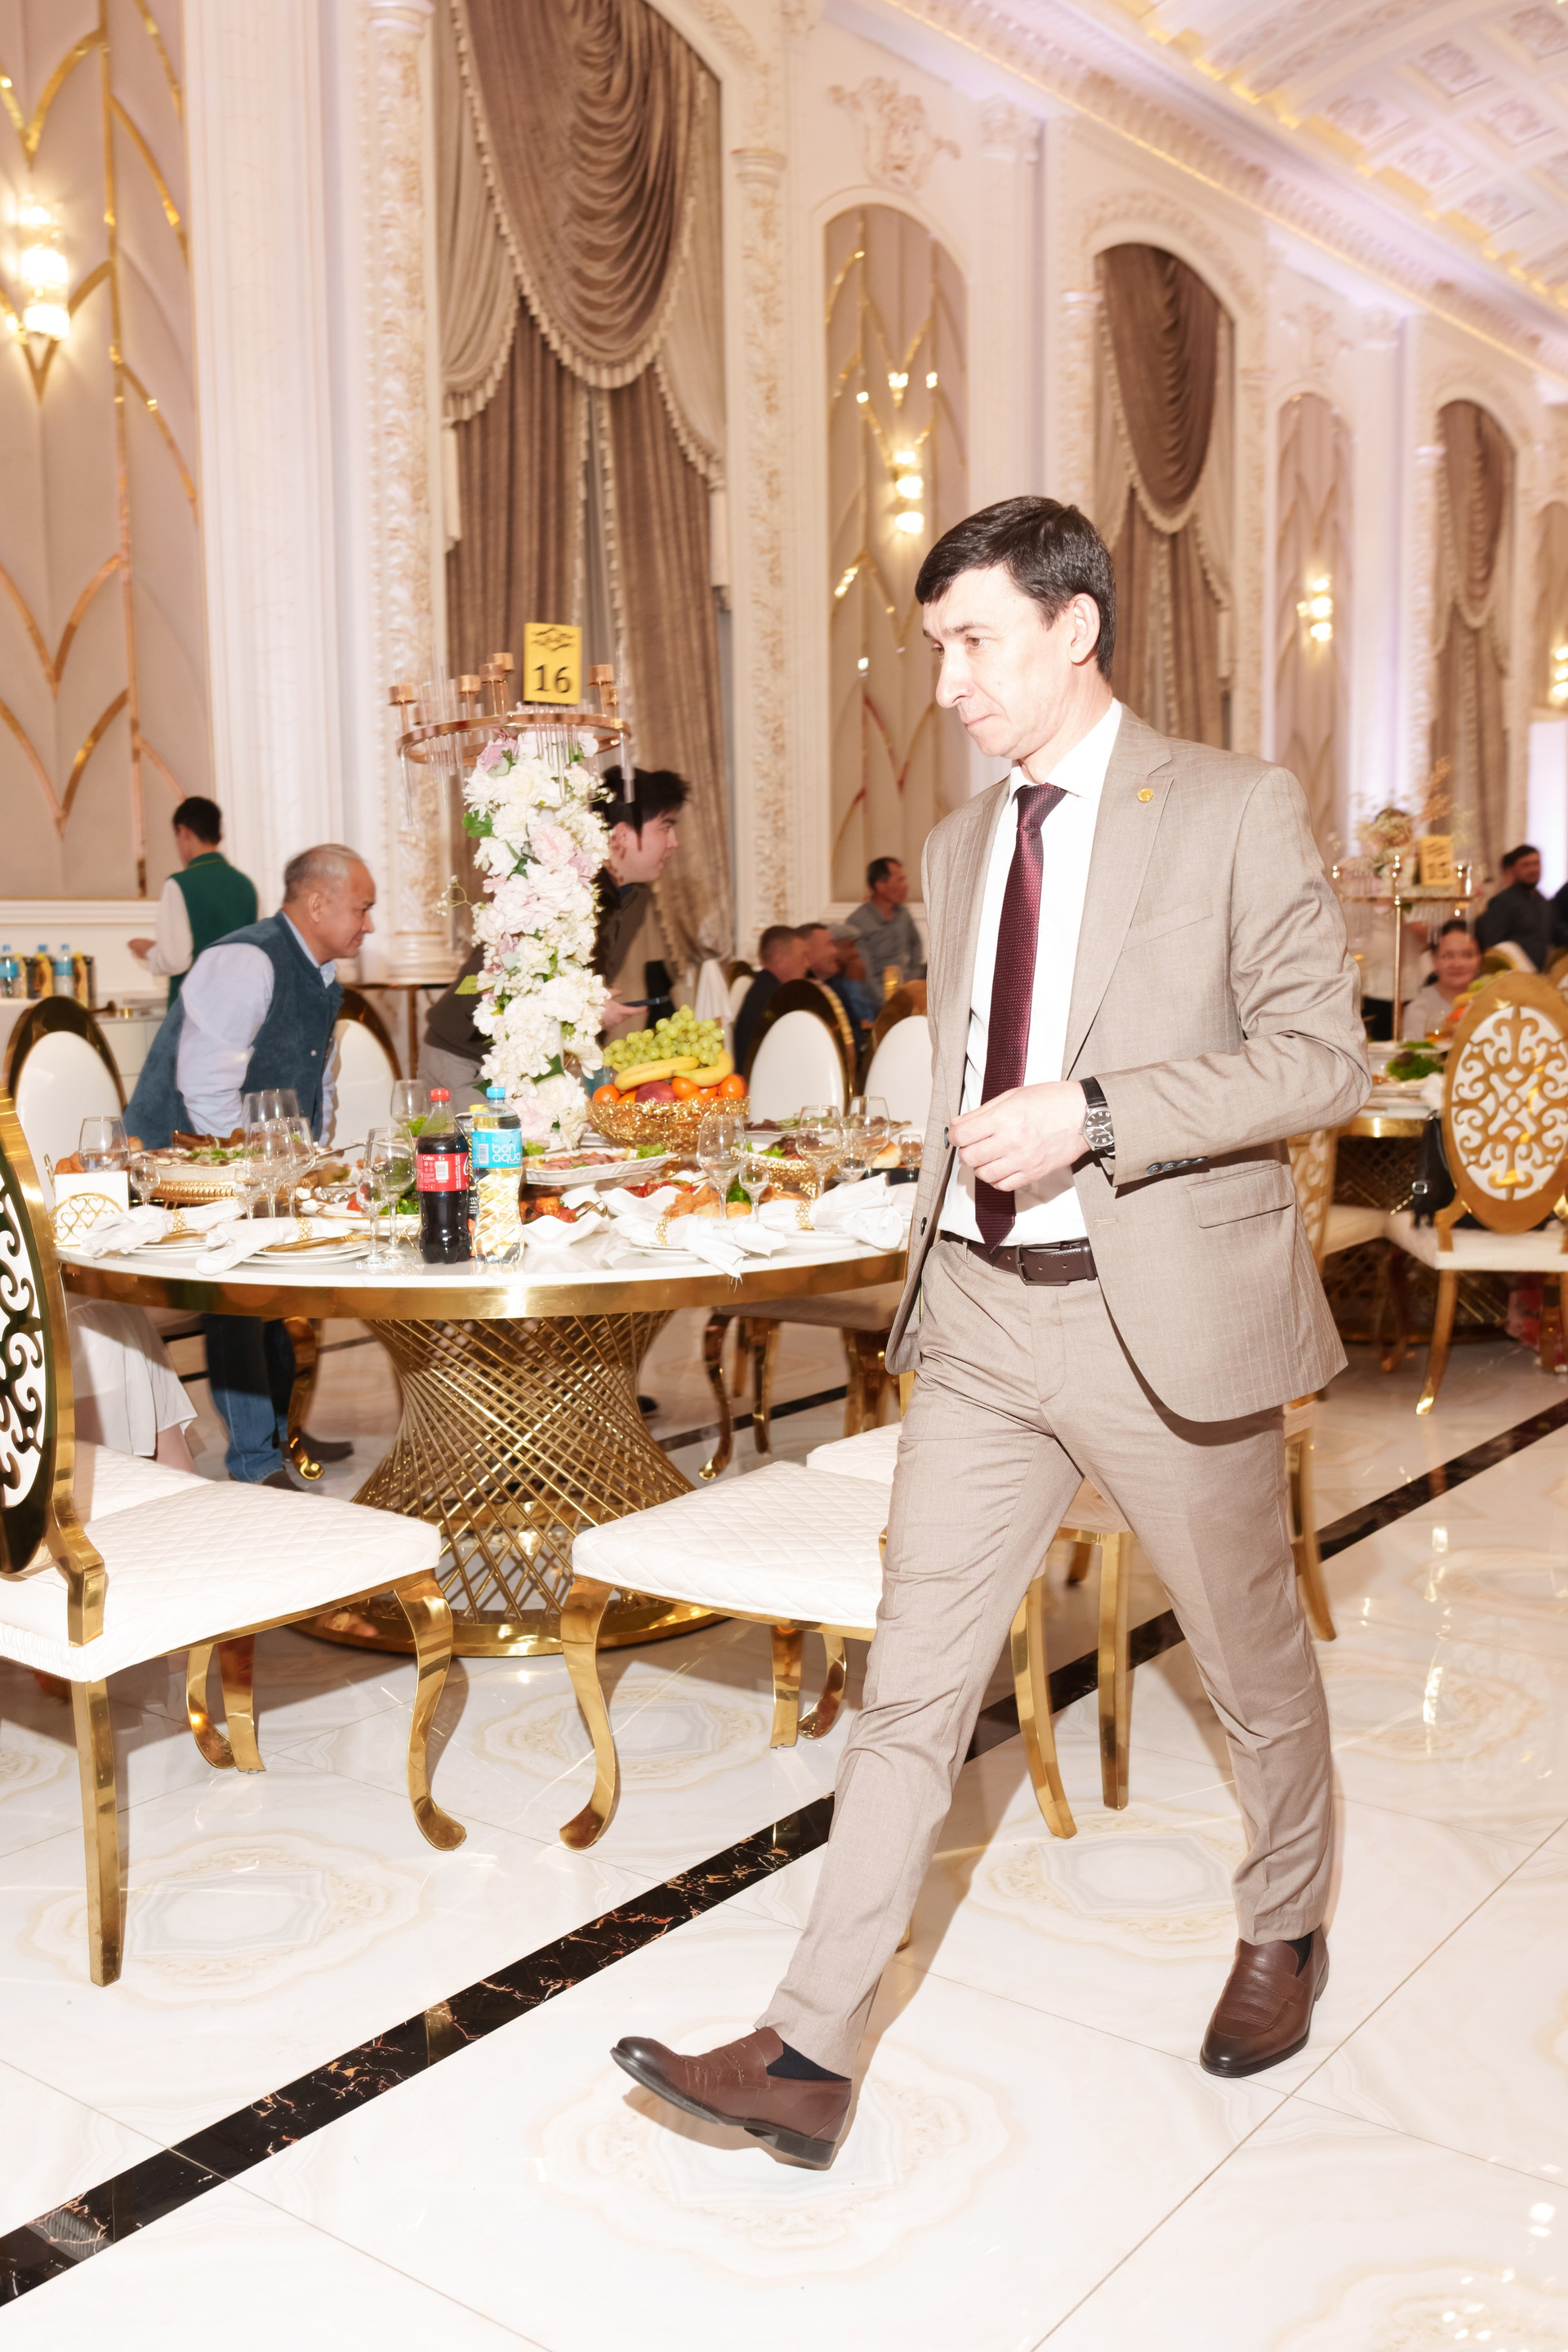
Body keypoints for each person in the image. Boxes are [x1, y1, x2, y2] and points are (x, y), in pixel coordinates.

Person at [611, 495, 1367, 2167]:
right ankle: (809, 2051)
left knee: (1248, 1667)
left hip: (1159, 1321)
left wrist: (1096, 1113)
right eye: (936, 644)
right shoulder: (960, 850)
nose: (945, 680)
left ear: (1073, 628)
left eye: (975, 641)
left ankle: (1289, 1920)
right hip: (977, 1317)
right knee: (911, 1689)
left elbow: (1325, 1059)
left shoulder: (1231, 807)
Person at [125, 844, 377, 1489]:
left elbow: (317, 1081)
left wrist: (310, 1165)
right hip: (184, 1166)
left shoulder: (321, 974)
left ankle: (282, 1430)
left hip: (262, 1165)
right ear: (316, 903)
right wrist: (248, 1181)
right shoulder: (246, 960)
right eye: (362, 908)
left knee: (292, 1280)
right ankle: (256, 1463)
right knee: (238, 1291)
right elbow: (204, 1087)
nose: (369, 924)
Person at [421, 768, 691, 1102]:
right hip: (467, 1055)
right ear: (622, 834)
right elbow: (520, 975)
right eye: (665, 827)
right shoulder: (564, 883)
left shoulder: (636, 898)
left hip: (530, 1061)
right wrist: (586, 1012)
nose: (674, 842)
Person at [127, 797, 259, 1006]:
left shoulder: (180, 884)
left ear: (183, 831)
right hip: (239, 1006)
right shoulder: (245, 884)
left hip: (195, 1008)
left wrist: (149, 951)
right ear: (219, 835)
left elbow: (175, 961)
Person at [732, 924, 810, 1075]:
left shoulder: (763, 987)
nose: (807, 964)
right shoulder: (775, 998)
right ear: (780, 960)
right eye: (802, 957)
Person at [845, 856, 925, 994]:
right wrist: (890, 1002)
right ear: (880, 886)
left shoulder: (903, 913)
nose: (906, 886)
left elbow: (916, 943)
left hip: (907, 985)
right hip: (878, 993)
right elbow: (867, 977)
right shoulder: (858, 922)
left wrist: (914, 976)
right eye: (900, 880)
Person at [1401, 920, 1482, 1039]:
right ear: (1434, 960)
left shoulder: (1492, 1001)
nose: (1457, 964)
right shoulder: (1419, 1010)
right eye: (1448, 956)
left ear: (1480, 958)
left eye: (1467, 955)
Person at [796, 921, 865, 1059]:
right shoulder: (801, 990)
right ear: (807, 952)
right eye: (828, 945)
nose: (834, 951)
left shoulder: (834, 982)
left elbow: (854, 1028)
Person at [1476, 845, 1551, 970]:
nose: (1533, 869)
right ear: (1512, 870)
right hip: (1513, 976)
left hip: (1540, 975)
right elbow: (1492, 946)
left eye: (1536, 863)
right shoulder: (1503, 902)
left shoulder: (1542, 900)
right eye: (1526, 865)